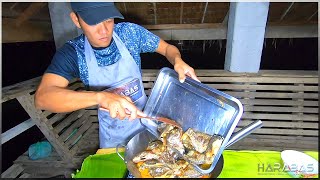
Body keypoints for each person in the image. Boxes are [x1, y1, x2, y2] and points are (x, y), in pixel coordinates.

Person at [35, 2, 200, 148]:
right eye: (93, 22)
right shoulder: (73, 53)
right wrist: (102, 97)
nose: (104, 30)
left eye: (108, 20)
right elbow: (42, 98)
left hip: (147, 125)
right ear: (76, 20)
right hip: (113, 136)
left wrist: (177, 60)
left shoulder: (129, 34)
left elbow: (166, 48)